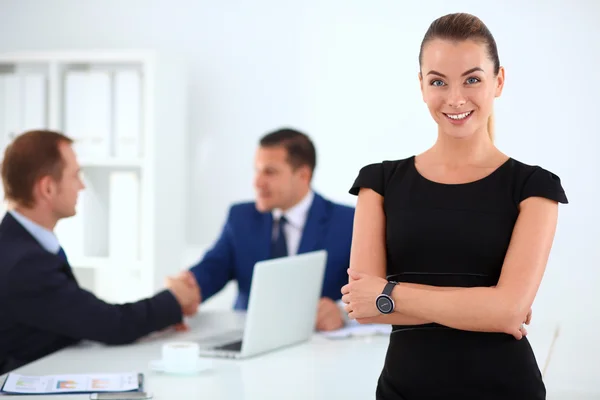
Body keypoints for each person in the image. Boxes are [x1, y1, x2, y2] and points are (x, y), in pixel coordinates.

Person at [341, 13, 568, 400]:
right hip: (403, 391)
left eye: (472, 79)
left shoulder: (534, 187)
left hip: (505, 389)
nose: (455, 98)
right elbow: (364, 308)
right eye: (438, 82)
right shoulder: (378, 183)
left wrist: (391, 295)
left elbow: (508, 312)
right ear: (421, 85)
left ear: (498, 81)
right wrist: (486, 307)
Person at [0, 130, 200, 374]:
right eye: (75, 175)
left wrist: (167, 314)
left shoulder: (21, 244)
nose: (82, 186)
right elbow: (111, 324)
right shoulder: (24, 263)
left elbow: (73, 319)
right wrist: (175, 300)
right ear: (48, 188)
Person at [176, 128, 354, 331]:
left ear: (303, 175)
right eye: (257, 171)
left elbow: (372, 289)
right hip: (250, 338)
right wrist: (186, 289)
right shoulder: (241, 218)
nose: (257, 183)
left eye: (270, 172)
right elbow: (212, 270)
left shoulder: (348, 222)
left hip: (320, 345)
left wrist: (342, 312)